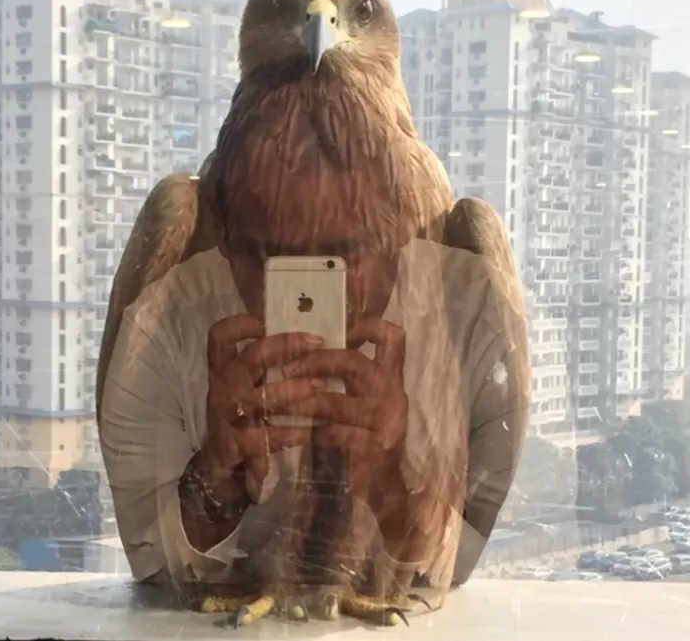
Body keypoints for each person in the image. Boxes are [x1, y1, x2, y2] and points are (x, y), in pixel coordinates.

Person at [98, 159, 523, 590]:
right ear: (225, 238)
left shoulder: (461, 291)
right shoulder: (180, 300)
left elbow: (456, 565)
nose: (309, 268)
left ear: (397, 237)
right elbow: (149, 557)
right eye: (269, 249)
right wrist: (213, 483)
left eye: (349, 248)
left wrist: (394, 487)